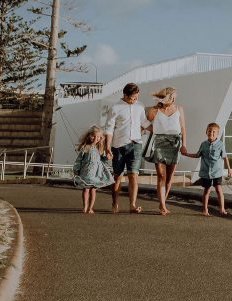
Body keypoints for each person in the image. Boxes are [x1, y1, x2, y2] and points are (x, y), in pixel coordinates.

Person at [103, 82, 148, 214]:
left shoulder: (140, 106)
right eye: (131, 98)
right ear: (125, 95)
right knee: (117, 177)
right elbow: (109, 129)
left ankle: (132, 205)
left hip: (136, 144)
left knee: (133, 175)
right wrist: (107, 148)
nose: (134, 100)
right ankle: (114, 203)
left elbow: (145, 123)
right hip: (118, 146)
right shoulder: (115, 107)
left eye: (136, 98)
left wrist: (161, 128)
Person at [145, 86, 186, 215]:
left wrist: (184, 145)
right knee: (161, 176)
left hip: (175, 143)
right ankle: (162, 205)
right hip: (159, 143)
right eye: (172, 96)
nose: (174, 99)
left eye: (175, 96)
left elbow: (183, 128)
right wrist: (158, 131)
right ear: (166, 97)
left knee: (169, 178)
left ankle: (163, 202)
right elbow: (144, 124)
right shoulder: (154, 110)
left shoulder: (179, 109)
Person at [181, 122, 232, 216]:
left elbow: (225, 157)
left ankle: (222, 209)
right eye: (209, 131)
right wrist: (186, 154)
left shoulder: (220, 145)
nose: (211, 133)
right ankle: (205, 210)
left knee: (218, 189)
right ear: (206, 132)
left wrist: (229, 169)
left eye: (214, 132)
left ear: (217, 134)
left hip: (217, 172)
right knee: (206, 190)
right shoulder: (203, 144)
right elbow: (197, 155)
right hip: (206, 172)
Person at [73, 125, 114, 213]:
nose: (96, 138)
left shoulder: (100, 148)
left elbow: (102, 159)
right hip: (86, 171)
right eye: (94, 136)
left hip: (96, 172)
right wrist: (76, 169)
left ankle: (90, 208)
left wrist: (107, 157)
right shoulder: (85, 147)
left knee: (93, 189)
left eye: (99, 137)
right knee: (86, 189)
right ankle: (85, 207)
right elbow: (79, 160)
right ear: (89, 136)